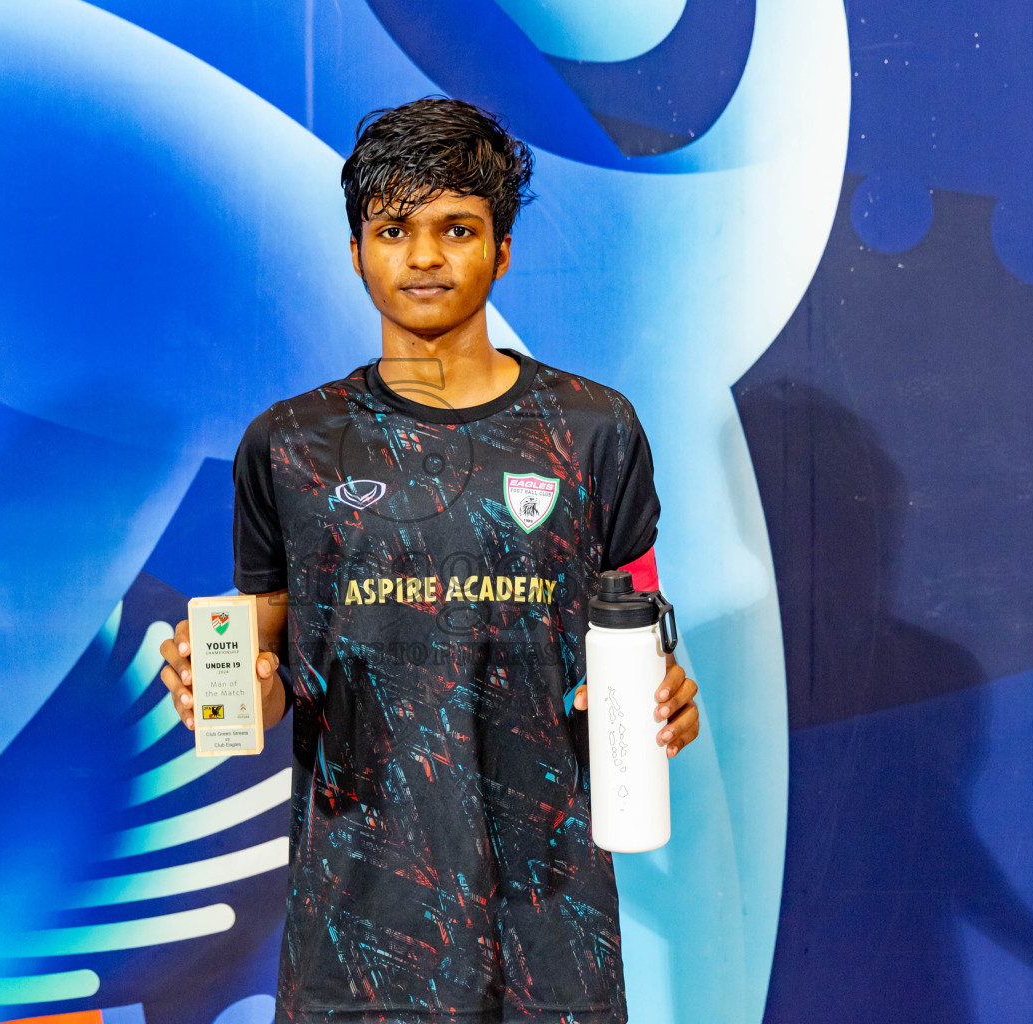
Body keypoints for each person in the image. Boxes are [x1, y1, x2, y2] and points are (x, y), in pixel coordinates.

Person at [160, 97, 700, 1024]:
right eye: (393, 228)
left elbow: (638, 622)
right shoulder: (290, 445)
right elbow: (263, 664)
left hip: (551, 920)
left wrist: (670, 696)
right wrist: (215, 681)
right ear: (358, 248)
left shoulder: (594, 430)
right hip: (357, 929)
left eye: (457, 228)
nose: (422, 257)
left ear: (502, 249)